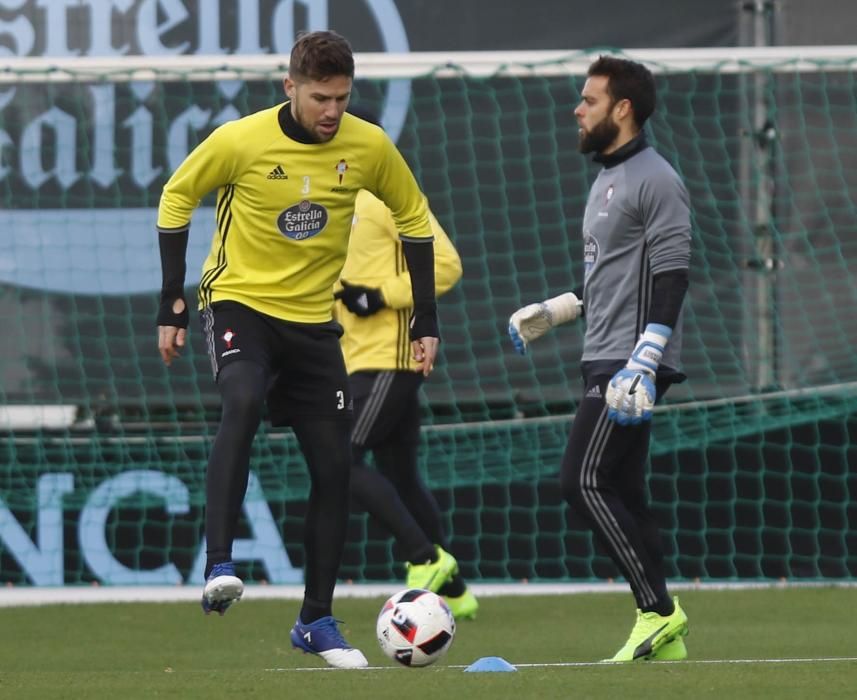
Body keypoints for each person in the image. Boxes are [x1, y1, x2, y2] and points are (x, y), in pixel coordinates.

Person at [155, 30, 440, 670]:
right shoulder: (242, 140)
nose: (332, 111)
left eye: (341, 97)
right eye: (319, 97)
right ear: (290, 87)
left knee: (335, 466)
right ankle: (220, 563)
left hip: (314, 323)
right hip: (239, 305)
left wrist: (426, 319)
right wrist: (171, 302)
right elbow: (177, 196)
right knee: (244, 398)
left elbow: (416, 220)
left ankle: (316, 619)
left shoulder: (367, 146)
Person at [508, 56, 692, 662]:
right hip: (603, 354)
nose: (577, 109)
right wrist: (556, 311)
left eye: (589, 100)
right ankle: (665, 641)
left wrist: (646, 356)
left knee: (581, 480)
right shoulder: (606, 178)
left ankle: (659, 612)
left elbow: (671, 273)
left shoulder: (656, 177)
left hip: (629, 364)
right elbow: (609, 280)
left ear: (623, 110)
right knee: (625, 492)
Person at [333, 105, 478, 621]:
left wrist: (382, 296)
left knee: (339, 457)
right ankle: (455, 593)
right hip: (355, 359)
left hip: (391, 358)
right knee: (401, 473)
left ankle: (427, 558)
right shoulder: (328, 202)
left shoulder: (387, 197)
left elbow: (446, 262)